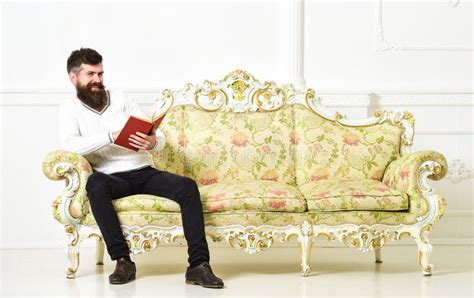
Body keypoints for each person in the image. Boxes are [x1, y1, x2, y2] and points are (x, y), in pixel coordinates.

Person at [59, 47, 224, 288]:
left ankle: (198, 266)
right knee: (95, 184)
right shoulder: (68, 109)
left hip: (144, 171)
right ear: (74, 78)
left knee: (187, 186)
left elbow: (157, 136)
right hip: (110, 178)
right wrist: (110, 136)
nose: (97, 80)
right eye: (90, 75)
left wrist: (153, 141)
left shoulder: (122, 97)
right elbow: (70, 145)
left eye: (100, 74)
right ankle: (123, 261)